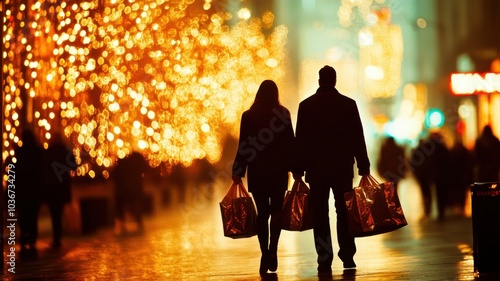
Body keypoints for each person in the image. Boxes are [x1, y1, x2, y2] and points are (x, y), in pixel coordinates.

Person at [292, 66, 370, 274]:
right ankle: (347, 254)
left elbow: (301, 141)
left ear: (319, 81)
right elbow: (357, 137)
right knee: (344, 211)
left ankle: (324, 257)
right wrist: (364, 165)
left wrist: (297, 168)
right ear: (335, 81)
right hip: (342, 168)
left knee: (320, 213)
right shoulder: (348, 105)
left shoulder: (306, 106)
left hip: (316, 169)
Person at [231, 80, 294, 274]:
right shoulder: (283, 114)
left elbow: (244, 145)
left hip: (258, 172)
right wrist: (296, 169)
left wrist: (238, 170)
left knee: (262, 213)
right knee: (276, 210)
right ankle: (273, 249)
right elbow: (289, 144)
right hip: (278, 171)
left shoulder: (249, 116)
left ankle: (264, 253)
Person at [43, 133, 76, 249]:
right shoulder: (65, 150)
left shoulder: (49, 151)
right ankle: (58, 235)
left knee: (54, 212)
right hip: (62, 185)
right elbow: (73, 165)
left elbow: (44, 167)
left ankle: (56, 236)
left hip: (52, 186)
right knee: (59, 210)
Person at [15, 129, 45, 253]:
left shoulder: (21, 152)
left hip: (24, 190)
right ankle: (31, 238)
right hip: (34, 190)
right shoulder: (37, 151)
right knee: (32, 216)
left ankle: (25, 236)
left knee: (24, 215)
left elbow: (17, 171)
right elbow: (41, 171)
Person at [113, 150, 149, 234]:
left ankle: (123, 225)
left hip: (122, 189)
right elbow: (144, 170)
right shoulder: (137, 163)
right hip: (133, 189)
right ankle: (139, 223)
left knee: (122, 207)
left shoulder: (122, 163)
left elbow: (115, 175)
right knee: (135, 205)